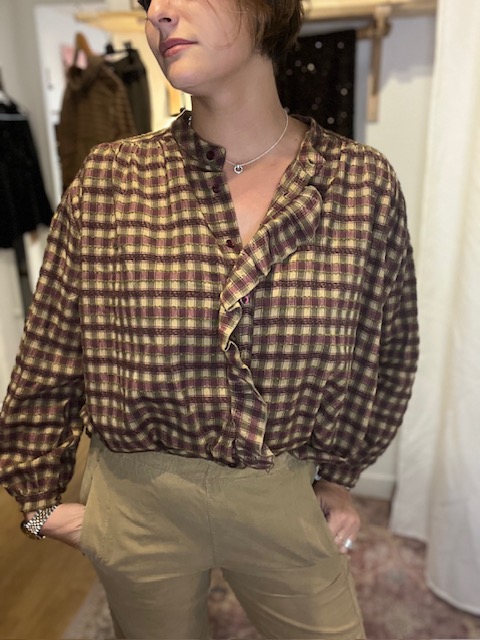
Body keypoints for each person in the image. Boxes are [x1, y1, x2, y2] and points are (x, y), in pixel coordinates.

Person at [0, 0, 419, 638]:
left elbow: (386, 347)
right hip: (137, 504)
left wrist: (338, 476)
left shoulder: (360, 184)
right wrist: (38, 506)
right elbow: (52, 349)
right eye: (149, 1)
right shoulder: (111, 181)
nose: (161, 14)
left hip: (280, 498)